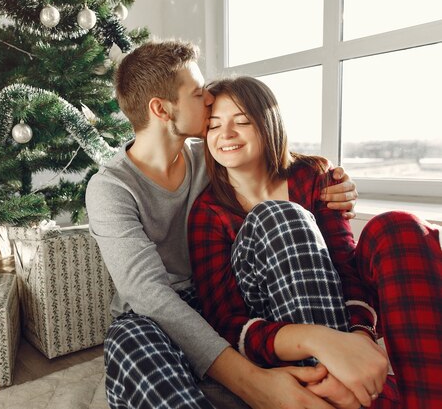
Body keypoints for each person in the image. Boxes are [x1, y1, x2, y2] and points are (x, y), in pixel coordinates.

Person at [86, 39, 360, 409]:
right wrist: (254, 384)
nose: (210, 99)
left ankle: (330, 385)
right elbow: (149, 295)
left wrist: (334, 180)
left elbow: (273, 157)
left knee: (280, 219)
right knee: (131, 343)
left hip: (231, 293)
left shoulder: (212, 152)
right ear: (161, 109)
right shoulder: (111, 188)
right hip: (155, 314)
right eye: (198, 93)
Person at [187, 76, 442, 409]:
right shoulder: (207, 213)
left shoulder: (314, 175)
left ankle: (426, 397)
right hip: (279, 337)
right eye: (214, 125)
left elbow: (346, 268)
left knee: (399, 226)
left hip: (339, 314)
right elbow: (226, 324)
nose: (226, 134)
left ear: (267, 125)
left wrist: (360, 337)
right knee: (278, 216)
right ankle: (336, 384)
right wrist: (318, 345)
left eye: (242, 121)